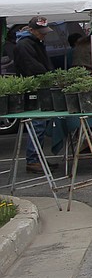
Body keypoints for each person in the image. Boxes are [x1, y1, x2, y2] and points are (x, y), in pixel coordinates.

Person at [13, 17, 56, 174]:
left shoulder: (34, 43)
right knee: (37, 123)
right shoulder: (25, 45)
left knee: (40, 124)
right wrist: (49, 75)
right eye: (41, 32)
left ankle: (37, 158)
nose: (43, 35)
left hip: (38, 85)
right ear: (31, 30)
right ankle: (33, 160)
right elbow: (31, 66)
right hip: (34, 87)